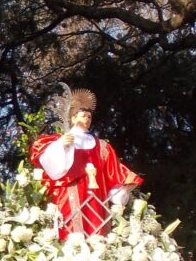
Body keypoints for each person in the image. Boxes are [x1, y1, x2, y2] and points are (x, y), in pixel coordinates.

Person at [30, 87, 142, 236]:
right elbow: (51, 166)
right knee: (71, 232)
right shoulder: (62, 139)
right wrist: (60, 145)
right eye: (83, 116)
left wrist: (123, 188)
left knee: (97, 233)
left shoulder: (103, 147)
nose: (87, 120)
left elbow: (112, 173)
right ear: (73, 117)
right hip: (70, 195)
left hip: (97, 198)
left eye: (89, 117)